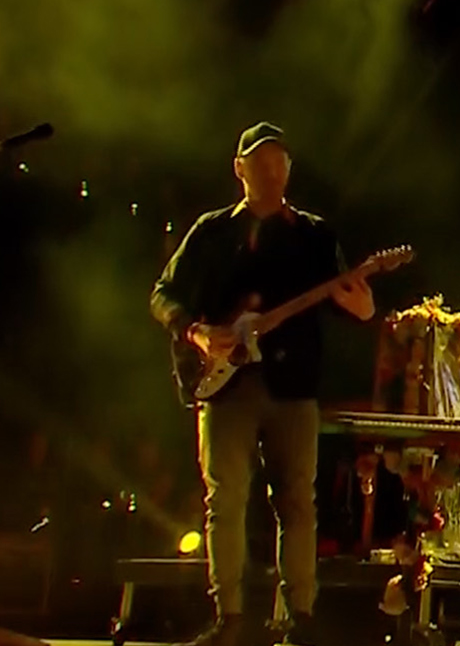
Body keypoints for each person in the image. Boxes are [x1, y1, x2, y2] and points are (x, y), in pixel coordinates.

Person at [149, 123, 378, 646]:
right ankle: (229, 617)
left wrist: (364, 309)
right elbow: (163, 293)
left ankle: (301, 615)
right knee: (225, 500)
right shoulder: (211, 232)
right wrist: (196, 332)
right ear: (240, 169)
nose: (272, 173)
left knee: (298, 502)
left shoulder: (315, 235)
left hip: (292, 387)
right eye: (260, 163)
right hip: (225, 388)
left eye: (280, 163)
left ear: (289, 169)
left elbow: (349, 304)